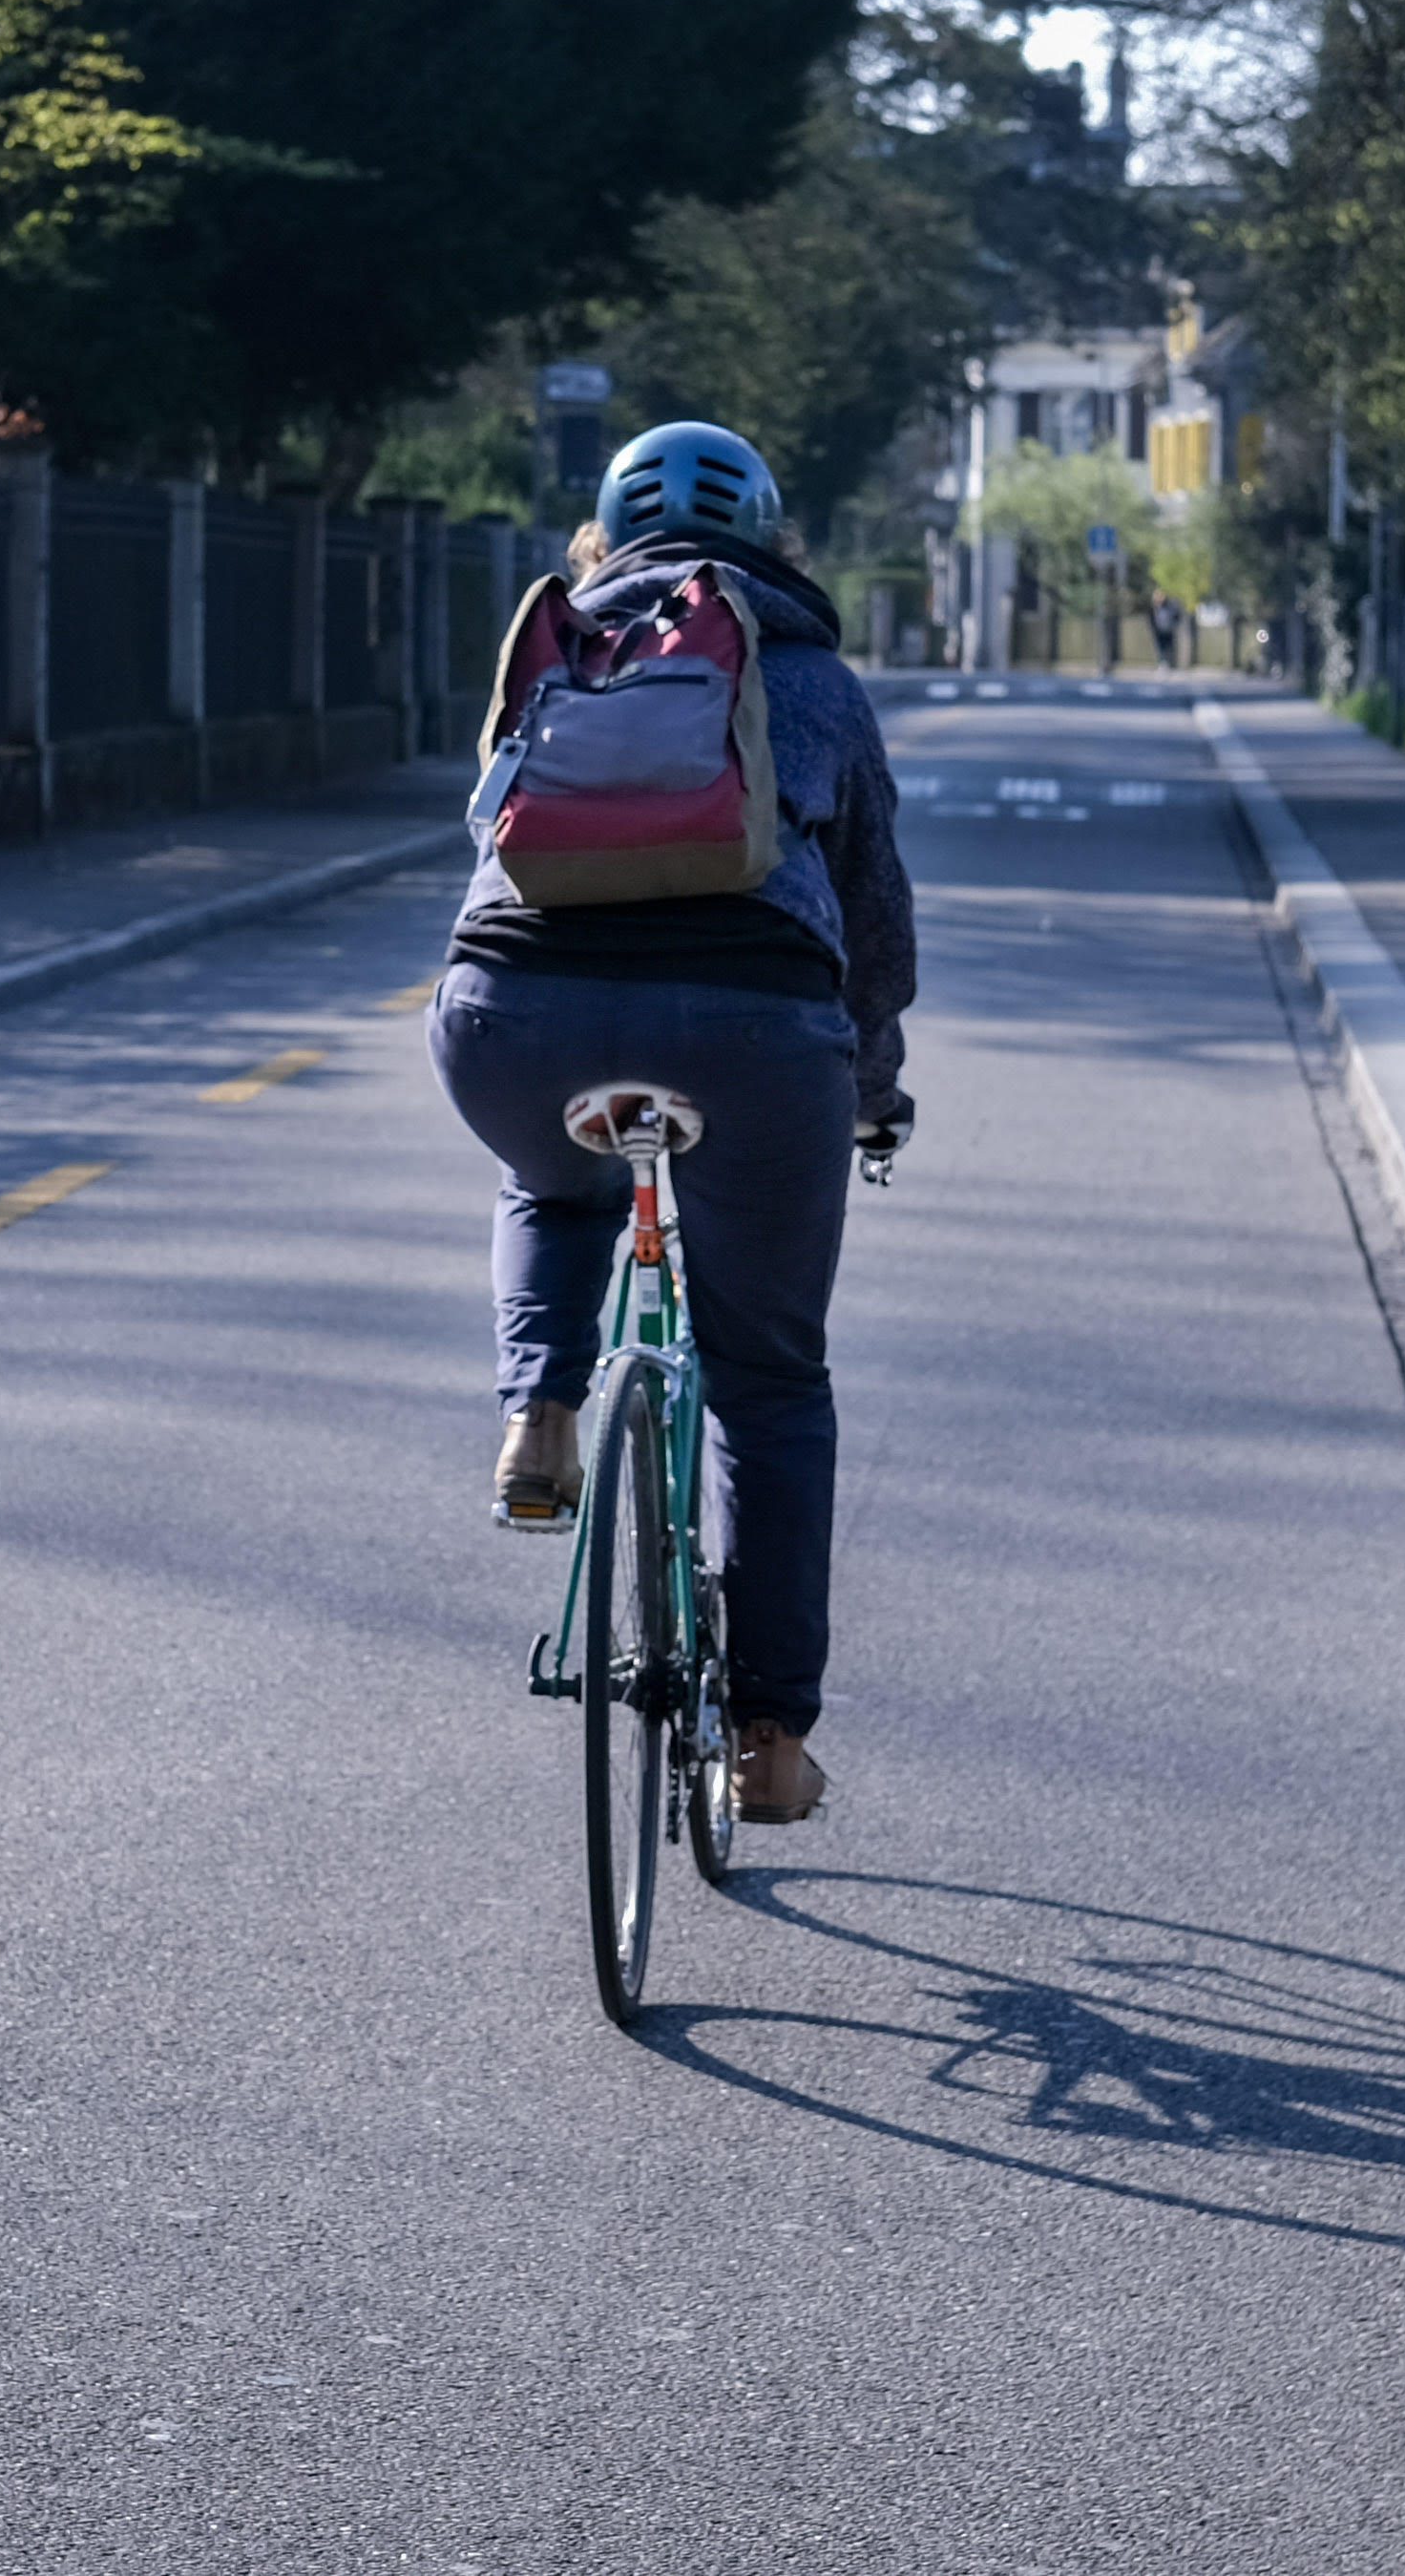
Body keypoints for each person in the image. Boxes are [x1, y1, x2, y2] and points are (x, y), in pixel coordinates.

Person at [430, 420, 913, 1827]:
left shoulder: (559, 636)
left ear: (603, 534)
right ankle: (767, 1734)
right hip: (757, 1034)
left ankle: (540, 1409)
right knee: (769, 1380)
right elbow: (876, 935)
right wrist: (871, 1090)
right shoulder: (812, 671)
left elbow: (494, 844)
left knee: (551, 1172)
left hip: (514, 1017)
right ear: (778, 544)